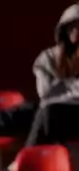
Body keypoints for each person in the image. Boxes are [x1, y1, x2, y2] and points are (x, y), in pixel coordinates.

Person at [28, 4, 79, 148]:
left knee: (47, 112)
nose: (76, 30)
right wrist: (71, 86)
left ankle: (26, 159)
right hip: (57, 112)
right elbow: (45, 93)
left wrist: (61, 88)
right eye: (72, 26)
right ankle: (26, 161)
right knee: (33, 111)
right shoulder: (48, 58)